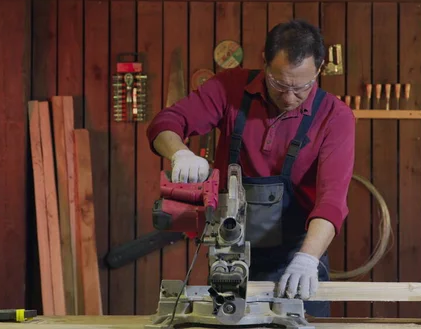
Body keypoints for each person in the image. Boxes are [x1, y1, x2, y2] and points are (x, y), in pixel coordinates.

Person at [146, 19, 355, 317]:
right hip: (229, 255)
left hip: (298, 254)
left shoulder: (336, 117)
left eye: (301, 87)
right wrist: (179, 153)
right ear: (264, 62)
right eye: (279, 84)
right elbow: (164, 123)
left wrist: (307, 259)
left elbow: (332, 200)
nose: (289, 97)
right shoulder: (230, 87)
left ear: (319, 69)